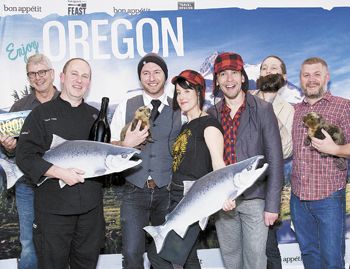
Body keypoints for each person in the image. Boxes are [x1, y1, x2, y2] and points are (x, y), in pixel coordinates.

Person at [15, 58, 105, 269]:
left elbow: (103, 153)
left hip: (90, 212)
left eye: (85, 76)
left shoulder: (95, 116)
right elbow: (25, 155)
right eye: (74, 74)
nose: (79, 80)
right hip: (53, 211)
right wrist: (59, 172)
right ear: (62, 78)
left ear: (89, 82)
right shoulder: (40, 114)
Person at [148, 70, 232, 268]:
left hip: (193, 200)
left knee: (158, 256)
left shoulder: (210, 125)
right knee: (189, 258)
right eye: (178, 93)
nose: (182, 97)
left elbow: (219, 164)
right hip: (176, 197)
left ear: (199, 93)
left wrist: (227, 194)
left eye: (187, 91)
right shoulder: (187, 125)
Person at [207, 52, 284, 269]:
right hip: (224, 201)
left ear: (243, 77)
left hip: (255, 199)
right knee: (231, 259)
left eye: (234, 73)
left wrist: (272, 205)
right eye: (223, 74)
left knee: (256, 261)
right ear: (217, 80)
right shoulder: (211, 114)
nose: (229, 79)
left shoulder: (262, 109)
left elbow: (275, 160)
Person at [110, 53, 182, 268]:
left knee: (165, 253)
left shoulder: (179, 107)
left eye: (157, 72)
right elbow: (110, 146)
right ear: (140, 77)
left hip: (167, 190)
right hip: (134, 189)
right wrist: (126, 144)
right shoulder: (126, 105)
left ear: (165, 76)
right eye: (146, 73)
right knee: (132, 253)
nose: (151, 78)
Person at [0, 53, 59, 269]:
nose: (38, 77)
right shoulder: (19, 107)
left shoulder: (66, 102)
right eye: (32, 74)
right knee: (28, 242)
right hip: (28, 185)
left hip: (59, 184)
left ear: (52, 74)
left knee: (60, 239)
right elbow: (11, 151)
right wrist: (8, 147)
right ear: (28, 77)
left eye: (42, 72)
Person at [290, 57, 350, 269]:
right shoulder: (295, 111)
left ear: (327, 77)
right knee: (309, 254)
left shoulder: (344, 107)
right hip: (298, 199)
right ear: (300, 79)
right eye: (306, 75)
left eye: (316, 74)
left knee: (332, 260)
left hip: (329, 196)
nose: (311, 79)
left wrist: (335, 149)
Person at [251, 55, 295, 269]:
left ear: (283, 77)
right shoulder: (245, 98)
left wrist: (268, 110)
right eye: (264, 68)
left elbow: (287, 150)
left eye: (274, 68)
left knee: (268, 248)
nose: (268, 71)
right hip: (241, 184)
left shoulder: (288, 110)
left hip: (266, 186)